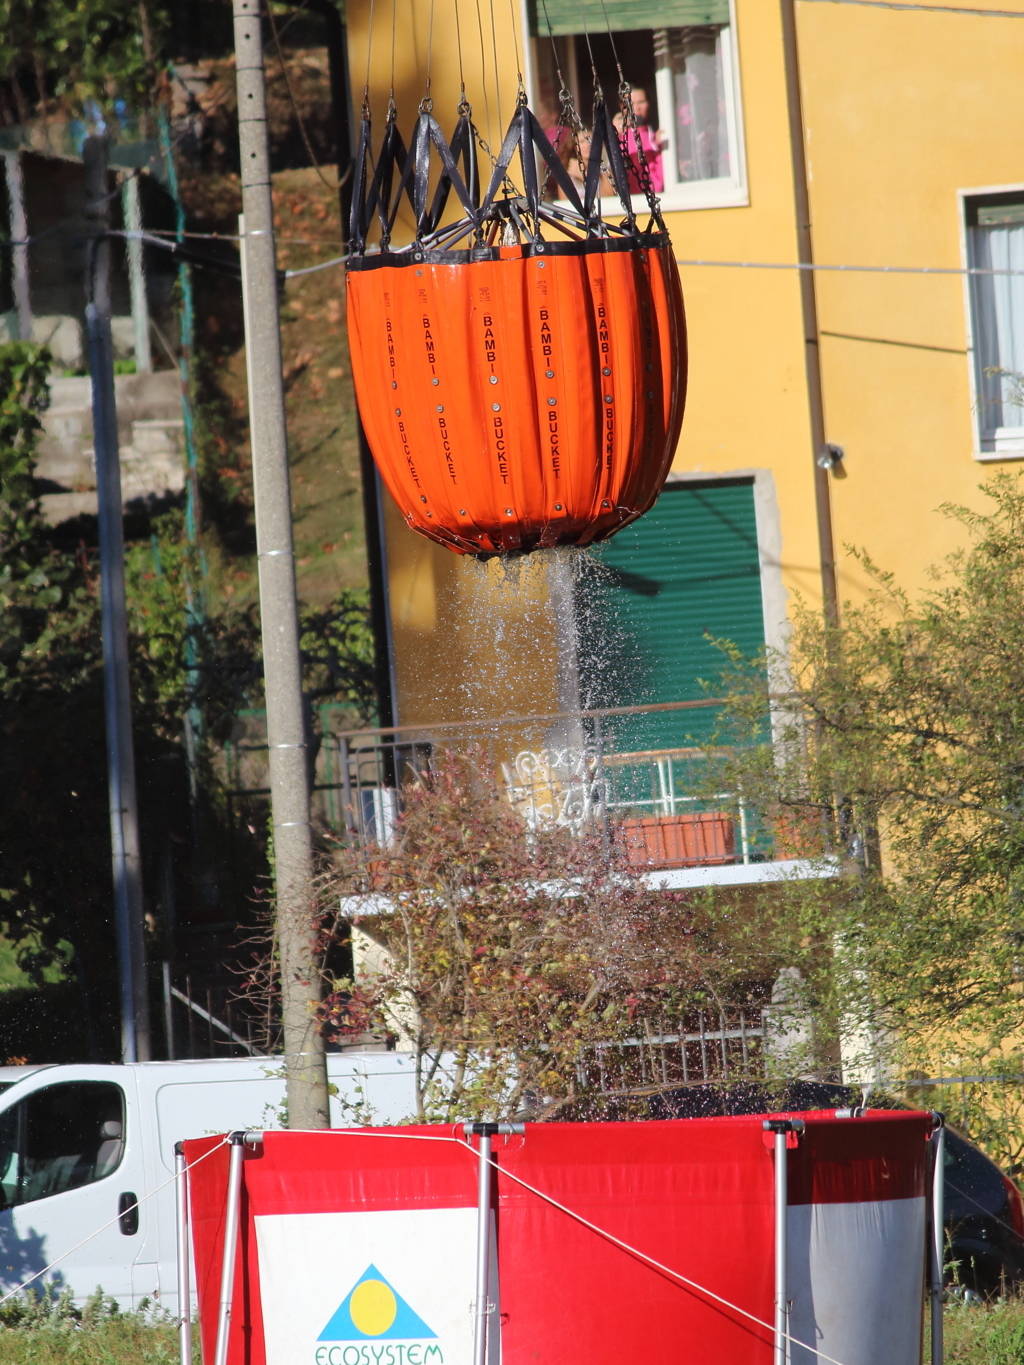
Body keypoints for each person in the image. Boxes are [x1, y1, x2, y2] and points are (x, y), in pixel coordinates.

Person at [614, 87, 668, 195]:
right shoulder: (618, 137)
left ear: (648, 104)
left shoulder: (657, 133)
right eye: (631, 104)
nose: (637, 108)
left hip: (659, 197)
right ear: (622, 108)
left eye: (641, 102)